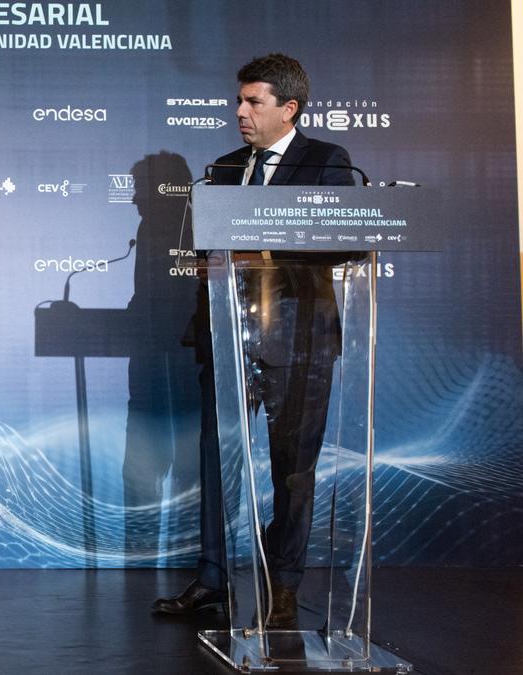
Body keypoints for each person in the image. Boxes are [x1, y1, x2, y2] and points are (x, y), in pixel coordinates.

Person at [152, 54, 356, 629]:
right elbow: (205, 248)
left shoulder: (327, 163)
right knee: (218, 464)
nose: (240, 112)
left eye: (253, 102)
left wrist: (256, 254)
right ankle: (213, 579)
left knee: (293, 470)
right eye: (239, 101)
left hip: (300, 345)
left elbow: (336, 241)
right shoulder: (223, 168)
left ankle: (283, 584)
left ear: (288, 109)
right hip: (229, 338)